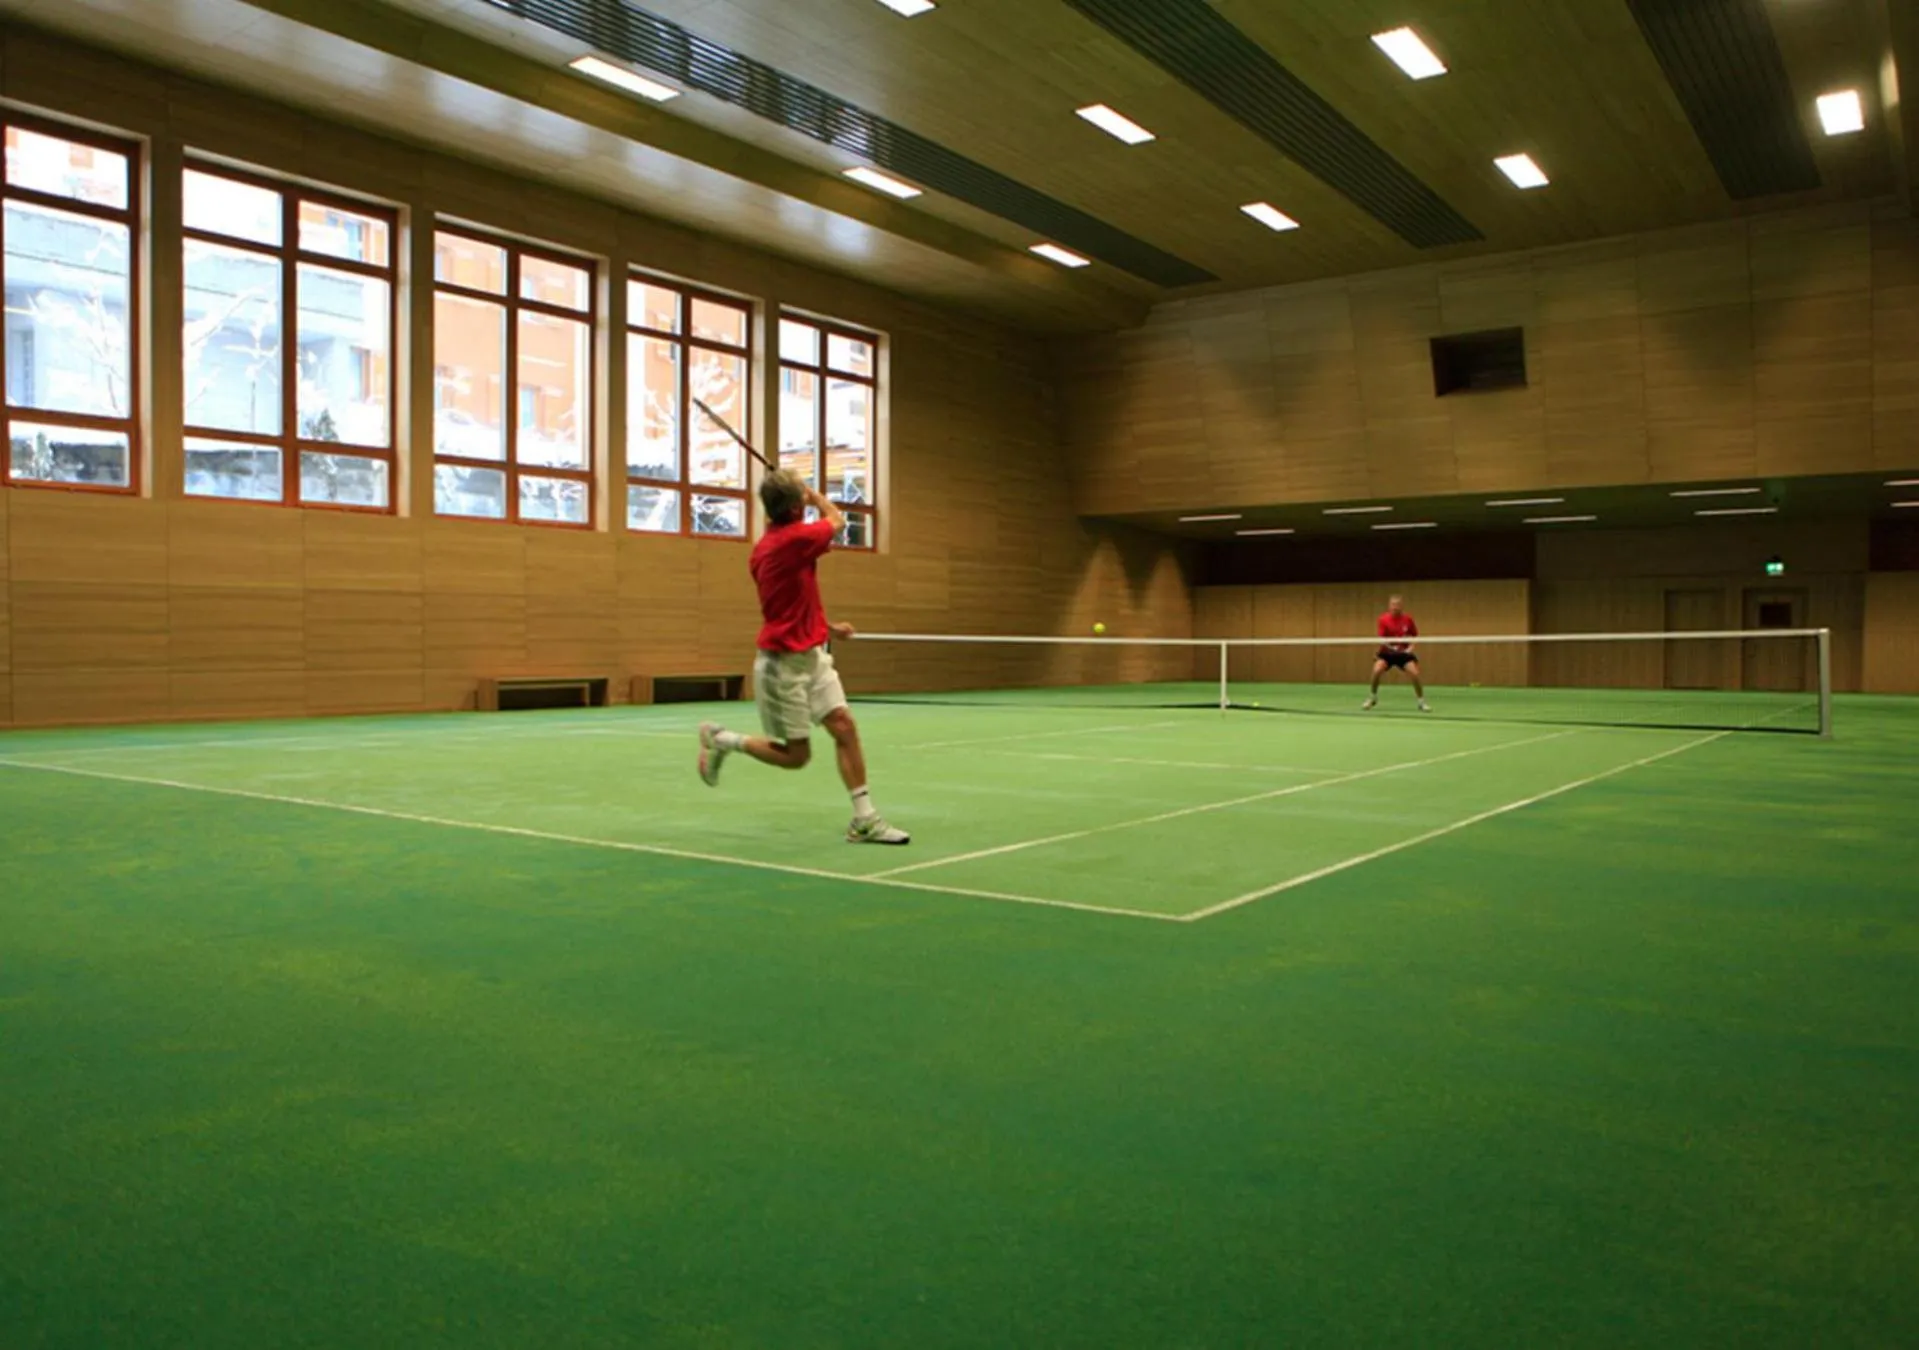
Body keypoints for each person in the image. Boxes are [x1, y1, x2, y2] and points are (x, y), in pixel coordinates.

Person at [696, 470, 910, 845]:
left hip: (812, 656)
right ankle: (722, 739)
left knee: (843, 726)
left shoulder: (775, 545)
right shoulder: (791, 541)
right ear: (796, 508)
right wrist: (817, 497)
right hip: (782, 666)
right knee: (796, 757)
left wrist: (827, 627)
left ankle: (864, 820)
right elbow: (838, 521)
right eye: (801, 502)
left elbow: (793, 604)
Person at [1363, 594, 1430, 713]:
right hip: (1387, 653)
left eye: (1397, 605)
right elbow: (1382, 639)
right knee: (1377, 670)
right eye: (1393, 605)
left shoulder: (1408, 619)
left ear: (1401, 606)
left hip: (1403, 653)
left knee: (1415, 673)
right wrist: (1391, 647)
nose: (1395, 607)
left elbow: (1415, 636)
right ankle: (1373, 697)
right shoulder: (1383, 619)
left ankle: (1421, 702)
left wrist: (1410, 648)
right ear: (1389, 606)